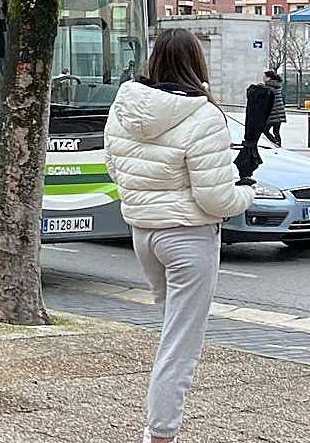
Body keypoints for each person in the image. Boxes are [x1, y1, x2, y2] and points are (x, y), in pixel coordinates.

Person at [104, 28, 255, 443]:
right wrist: (247, 192)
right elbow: (216, 198)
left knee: (172, 329)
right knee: (181, 342)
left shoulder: (124, 106)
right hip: (188, 236)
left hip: (143, 233)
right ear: (197, 64)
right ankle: (162, 432)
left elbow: (116, 170)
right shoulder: (204, 115)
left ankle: (159, 425)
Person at [262, 69, 286, 147]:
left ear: (268, 78)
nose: (263, 78)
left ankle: (276, 142)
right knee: (276, 132)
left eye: (264, 76)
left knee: (265, 130)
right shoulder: (277, 86)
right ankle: (279, 145)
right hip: (280, 113)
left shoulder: (269, 88)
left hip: (273, 114)